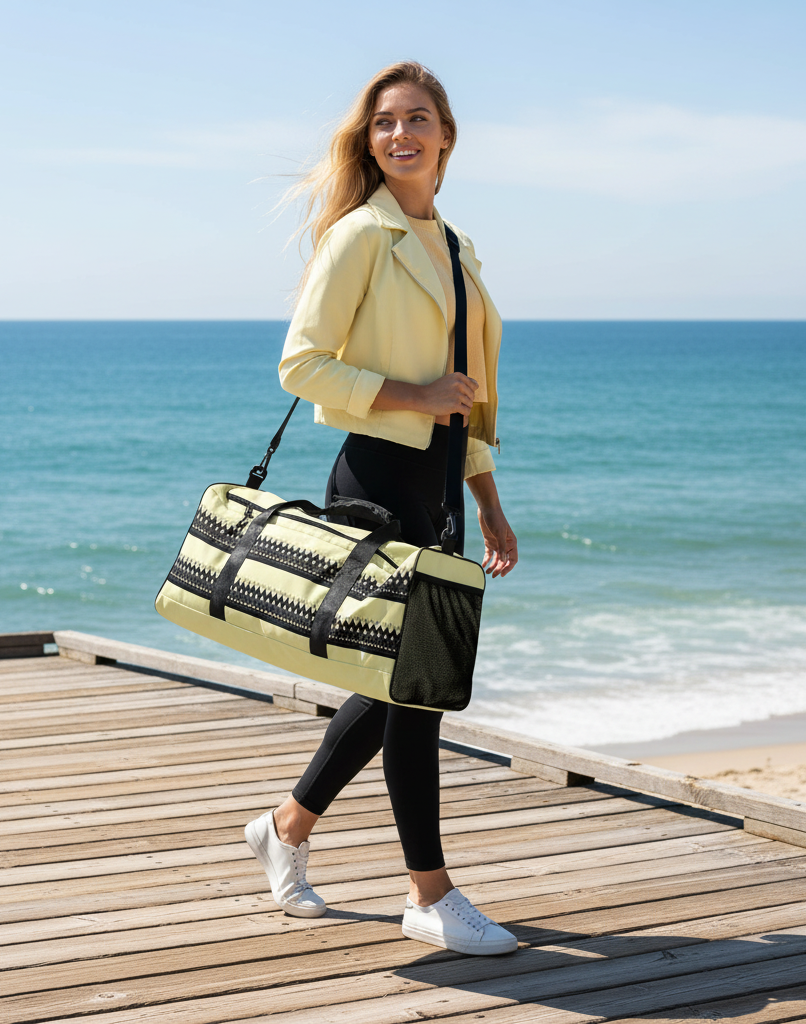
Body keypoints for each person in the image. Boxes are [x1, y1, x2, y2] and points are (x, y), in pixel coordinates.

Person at [244, 61, 519, 956]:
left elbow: (465, 398)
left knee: (394, 686)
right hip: (373, 483)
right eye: (384, 123)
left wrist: (487, 501)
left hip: (439, 485)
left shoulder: (458, 248)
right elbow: (303, 364)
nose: (400, 135)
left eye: (417, 119)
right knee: (418, 695)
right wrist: (411, 391)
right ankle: (430, 896)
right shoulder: (362, 235)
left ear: (446, 137)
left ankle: (284, 827)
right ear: (370, 142)